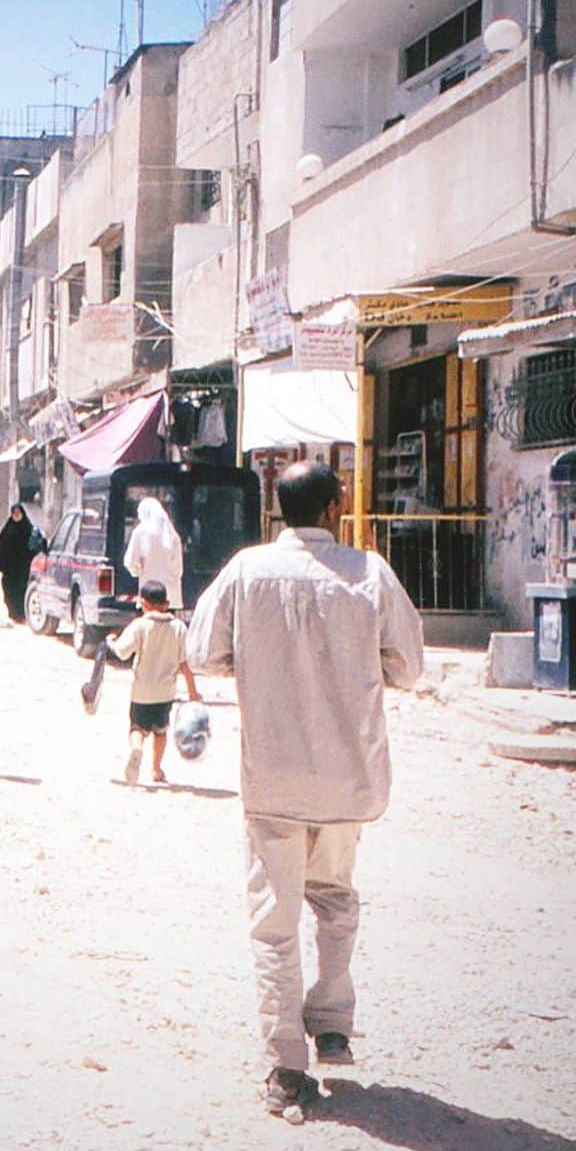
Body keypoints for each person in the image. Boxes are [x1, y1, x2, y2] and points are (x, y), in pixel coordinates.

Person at [186, 462, 423, 1118]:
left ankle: (286, 1063)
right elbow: (410, 666)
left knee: (274, 923)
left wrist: (261, 664)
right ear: (332, 506)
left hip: (275, 778)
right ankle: (334, 1018)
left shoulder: (245, 570)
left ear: (277, 506)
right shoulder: (370, 573)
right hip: (347, 778)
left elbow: (204, 652)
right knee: (337, 897)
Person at [107, 579, 199, 785]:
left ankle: (137, 748)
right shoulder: (178, 627)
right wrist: (193, 692)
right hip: (166, 693)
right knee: (160, 731)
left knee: (137, 728)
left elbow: (122, 652)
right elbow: (185, 664)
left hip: (142, 691)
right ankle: (156, 769)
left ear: (143, 603)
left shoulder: (139, 626)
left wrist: (111, 642)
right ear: (166, 604)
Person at [124, 496, 184, 610]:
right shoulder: (172, 535)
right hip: (170, 598)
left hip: (148, 595)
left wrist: (139, 571)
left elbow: (130, 561)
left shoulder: (140, 532)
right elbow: (178, 569)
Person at [0, 502, 34, 623]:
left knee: (22, 590)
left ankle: (22, 614)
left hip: (23, 568)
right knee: (9, 590)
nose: (16, 515)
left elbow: (33, 547)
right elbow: (1, 546)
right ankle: (13, 613)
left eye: (18, 513)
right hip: (9, 569)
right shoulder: (7, 529)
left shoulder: (28, 529)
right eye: (14, 513)